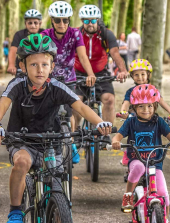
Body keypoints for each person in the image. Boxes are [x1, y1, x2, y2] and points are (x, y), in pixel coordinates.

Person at [0, 34, 112, 223]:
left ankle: (59, 208)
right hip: (23, 141)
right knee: (21, 163)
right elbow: (3, 105)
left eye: (45, 64)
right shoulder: (17, 85)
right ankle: (15, 211)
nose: (40, 70)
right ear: (23, 67)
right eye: (33, 64)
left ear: (52, 67)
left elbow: (81, 107)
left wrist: (99, 122)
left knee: (58, 180)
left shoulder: (57, 86)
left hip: (51, 143)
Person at [111, 84, 170, 222]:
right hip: (136, 159)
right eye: (141, 106)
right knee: (139, 167)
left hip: (155, 163)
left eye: (150, 106)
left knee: (164, 194)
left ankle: (165, 219)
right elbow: (118, 136)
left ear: (155, 107)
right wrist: (115, 141)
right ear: (134, 107)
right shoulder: (130, 122)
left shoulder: (158, 121)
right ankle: (128, 194)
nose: (146, 110)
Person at [41, 2, 100, 163]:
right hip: (49, 79)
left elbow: (82, 56)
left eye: (65, 20)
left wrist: (90, 74)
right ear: (52, 21)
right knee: (49, 112)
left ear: (69, 21)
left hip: (68, 78)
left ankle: (72, 143)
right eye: (58, 20)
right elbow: (40, 56)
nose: (62, 24)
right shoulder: (45, 34)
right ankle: (49, 145)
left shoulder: (75, 34)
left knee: (68, 112)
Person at [73, 4, 127, 162]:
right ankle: (76, 132)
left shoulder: (106, 34)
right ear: (82, 21)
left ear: (98, 20)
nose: (90, 23)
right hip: (79, 73)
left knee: (109, 99)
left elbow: (115, 53)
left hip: (101, 73)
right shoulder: (76, 33)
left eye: (93, 20)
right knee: (76, 103)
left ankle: (105, 134)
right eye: (87, 20)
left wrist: (122, 70)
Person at [118, 59, 170, 168]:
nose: (140, 77)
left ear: (148, 75)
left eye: (143, 74)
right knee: (133, 134)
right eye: (136, 75)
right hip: (135, 116)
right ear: (132, 76)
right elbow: (126, 102)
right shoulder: (131, 91)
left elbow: (161, 101)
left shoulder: (152, 90)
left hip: (150, 117)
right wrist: (123, 111)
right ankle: (129, 154)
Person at [7, 9, 44, 75]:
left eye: (35, 23)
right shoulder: (19, 34)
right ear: (25, 24)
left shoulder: (45, 34)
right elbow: (13, 50)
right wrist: (11, 65)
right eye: (30, 23)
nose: (33, 25)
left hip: (41, 70)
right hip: (23, 69)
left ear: (40, 24)